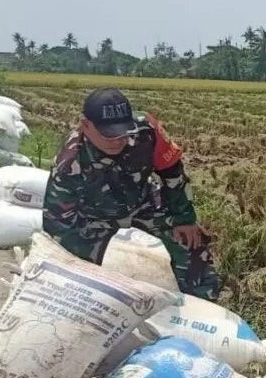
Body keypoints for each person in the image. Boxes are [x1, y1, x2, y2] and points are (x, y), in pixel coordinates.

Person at [42, 87, 221, 299]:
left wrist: (184, 218)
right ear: (86, 126)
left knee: (189, 242)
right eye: (109, 135)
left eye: (124, 133)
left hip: (142, 204)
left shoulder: (146, 131)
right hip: (95, 218)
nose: (118, 140)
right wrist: (104, 260)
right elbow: (58, 227)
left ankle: (202, 300)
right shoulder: (69, 163)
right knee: (99, 278)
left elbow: (171, 170)